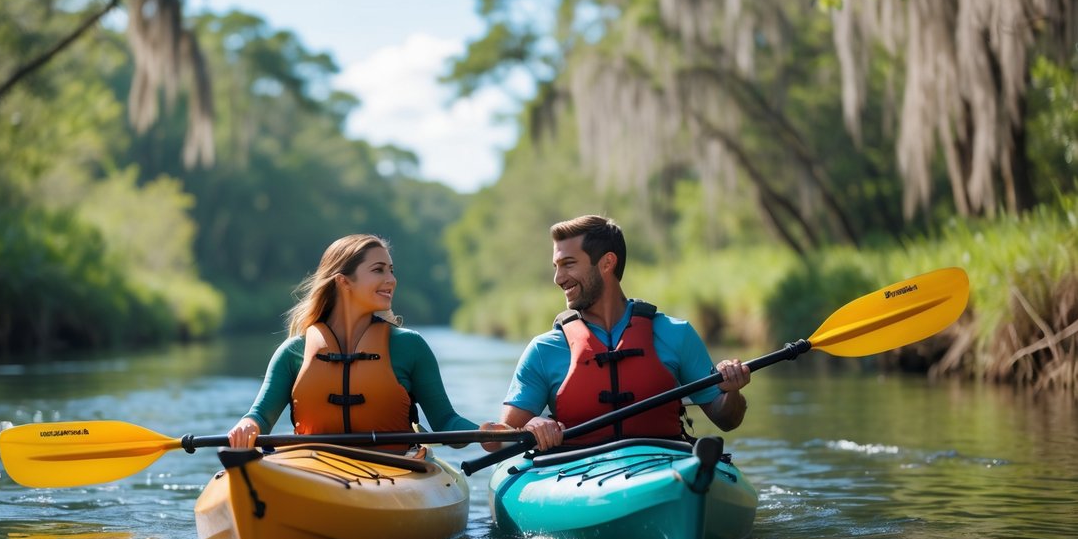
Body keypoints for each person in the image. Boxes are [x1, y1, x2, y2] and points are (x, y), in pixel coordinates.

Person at [227, 234, 562, 451]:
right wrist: (246, 426)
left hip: (395, 471)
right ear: (344, 282)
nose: (391, 280)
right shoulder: (293, 352)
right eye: (378, 270)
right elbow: (260, 416)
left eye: (391, 269)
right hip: (314, 470)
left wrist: (486, 432)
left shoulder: (409, 347)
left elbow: (445, 421)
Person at [487, 215, 751, 450]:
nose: (558, 278)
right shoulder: (544, 350)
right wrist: (532, 424)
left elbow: (727, 420)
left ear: (606, 263)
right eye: (555, 266)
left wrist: (733, 391)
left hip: (663, 467)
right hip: (575, 476)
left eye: (568, 264)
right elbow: (501, 440)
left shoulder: (675, 334)